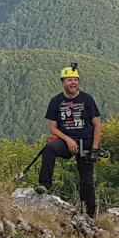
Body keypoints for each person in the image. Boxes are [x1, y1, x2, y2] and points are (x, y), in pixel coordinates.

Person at [37, 66, 104, 217]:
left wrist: (94, 148)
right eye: (69, 80)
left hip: (86, 141)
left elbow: (97, 124)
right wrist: (67, 139)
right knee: (50, 147)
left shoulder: (87, 99)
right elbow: (53, 128)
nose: (73, 82)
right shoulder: (56, 101)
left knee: (87, 180)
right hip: (66, 140)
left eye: (75, 79)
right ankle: (44, 184)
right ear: (63, 83)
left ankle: (90, 214)